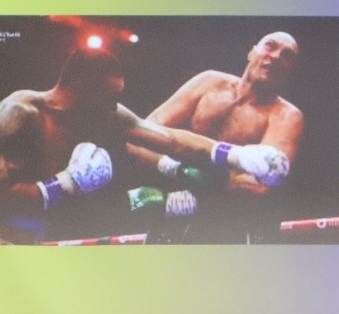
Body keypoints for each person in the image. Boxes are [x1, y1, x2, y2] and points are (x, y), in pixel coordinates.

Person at [0, 46, 290, 245]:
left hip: (32, 238)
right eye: (109, 95)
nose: (115, 104)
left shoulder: (102, 112)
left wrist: (237, 155)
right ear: (79, 86)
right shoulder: (20, 115)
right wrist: (66, 184)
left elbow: (170, 139)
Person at [125, 31, 304, 242]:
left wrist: (178, 203)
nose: (276, 56)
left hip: (225, 230)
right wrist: (176, 169)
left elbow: (258, 185)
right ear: (251, 52)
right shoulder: (208, 83)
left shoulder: (286, 116)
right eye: (270, 46)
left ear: (290, 70)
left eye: (287, 55)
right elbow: (141, 136)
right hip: (167, 229)